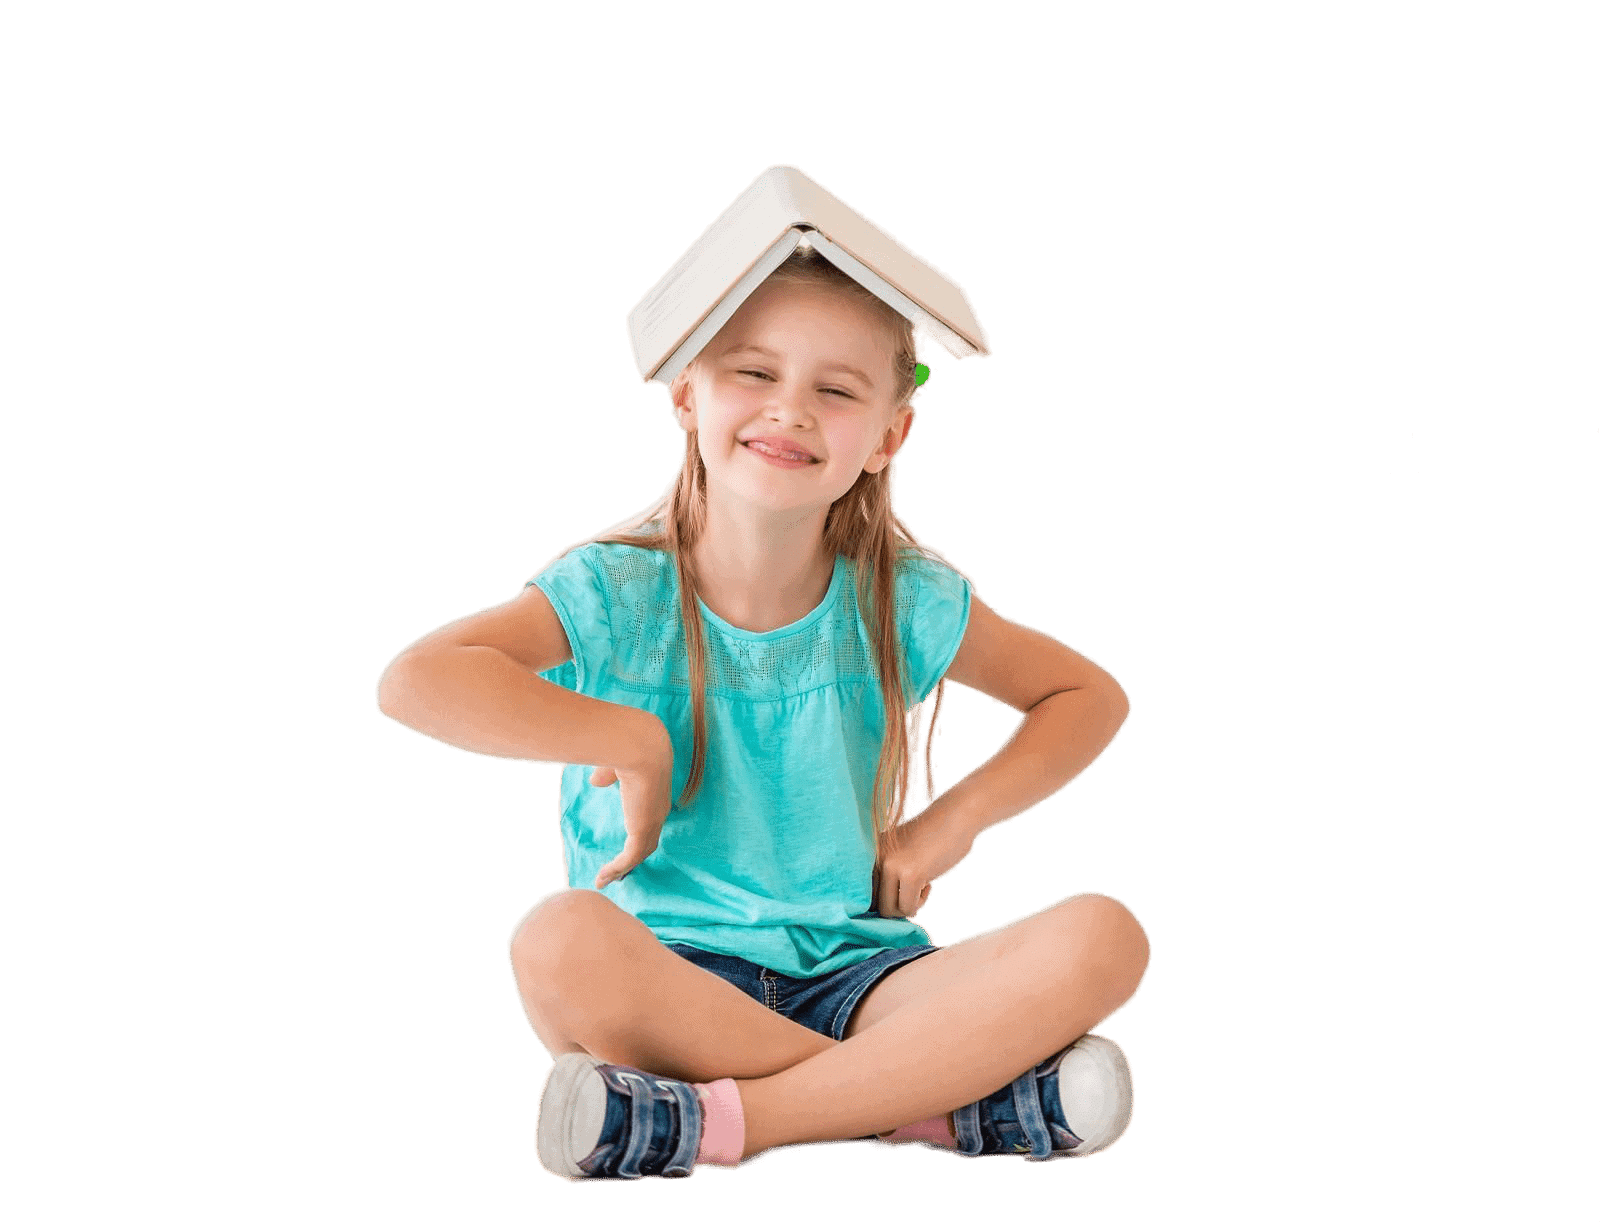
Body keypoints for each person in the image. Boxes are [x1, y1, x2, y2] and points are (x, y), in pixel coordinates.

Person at [376, 245, 1151, 1181]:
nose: (789, 408)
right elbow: (417, 678)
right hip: (671, 979)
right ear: (688, 395)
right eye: (754, 372)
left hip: (864, 981)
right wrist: (629, 736)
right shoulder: (616, 588)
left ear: (889, 438)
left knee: (1104, 937)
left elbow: (1085, 697)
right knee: (557, 940)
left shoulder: (902, 599)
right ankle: (934, 1107)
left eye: (838, 391)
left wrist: (954, 821)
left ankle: (718, 1122)